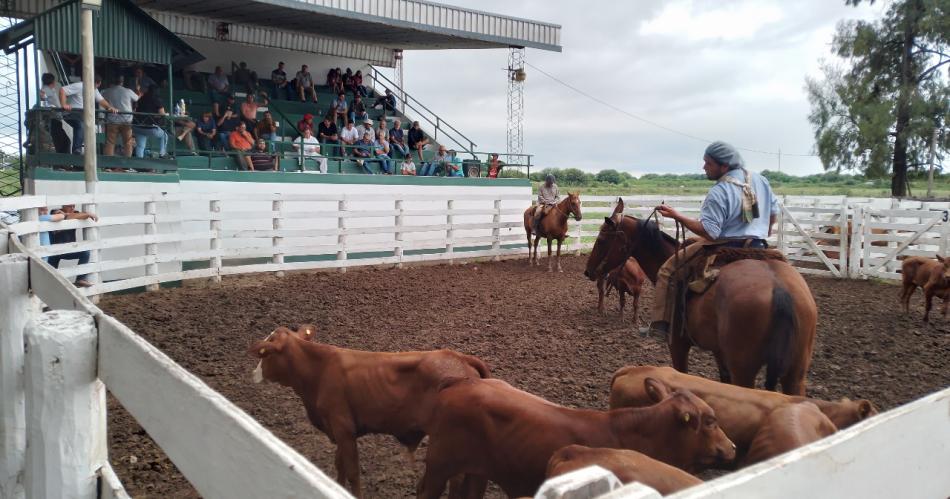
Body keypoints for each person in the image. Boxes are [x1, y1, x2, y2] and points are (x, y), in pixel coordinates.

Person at [640, 141, 780, 340]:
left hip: (727, 246)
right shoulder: (761, 180)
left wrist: (677, 216)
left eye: (708, 163)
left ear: (724, 166)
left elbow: (710, 233)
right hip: (758, 245)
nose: (704, 167)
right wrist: (764, 230)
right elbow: (773, 213)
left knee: (667, 271)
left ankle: (660, 327)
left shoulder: (720, 191)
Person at [40, 205, 97, 287]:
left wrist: (85, 214)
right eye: (70, 206)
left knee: (85, 253)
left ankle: (80, 279)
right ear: (63, 206)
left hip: (67, 250)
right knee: (48, 278)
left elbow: (80, 216)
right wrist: (85, 214)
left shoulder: (75, 213)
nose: (72, 208)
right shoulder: (55, 211)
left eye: (73, 206)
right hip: (53, 251)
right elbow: (67, 217)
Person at [61, 74, 118, 154]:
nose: (97, 87)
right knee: (80, 125)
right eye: (98, 85)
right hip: (72, 112)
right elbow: (62, 90)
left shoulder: (94, 89)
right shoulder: (80, 86)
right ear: (97, 83)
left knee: (87, 127)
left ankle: (85, 150)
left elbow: (101, 100)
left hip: (82, 114)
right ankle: (77, 149)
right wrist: (64, 104)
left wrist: (109, 107)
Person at [100, 75, 139, 157]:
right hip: (127, 120)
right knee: (128, 142)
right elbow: (137, 98)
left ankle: (108, 164)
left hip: (112, 119)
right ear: (122, 82)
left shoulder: (107, 91)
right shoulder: (128, 91)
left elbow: (101, 100)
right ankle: (127, 163)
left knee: (110, 142)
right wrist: (138, 90)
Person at [132, 85, 168, 159]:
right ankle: (162, 153)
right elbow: (162, 114)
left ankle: (139, 162)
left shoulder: (141, 98)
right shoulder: (157, 99)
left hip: (137, 126)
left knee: (140, 145)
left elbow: (134, 109)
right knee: (164, 136)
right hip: (149, 128)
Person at [38, 73, 69, 153]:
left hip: (55, 118)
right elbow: (44, 102)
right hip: (53, 119)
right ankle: (62, 163)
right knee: (61, 141)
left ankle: (63, 162)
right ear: (52, 81)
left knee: (63, 140)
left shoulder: (49, 90)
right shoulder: (45, 91)